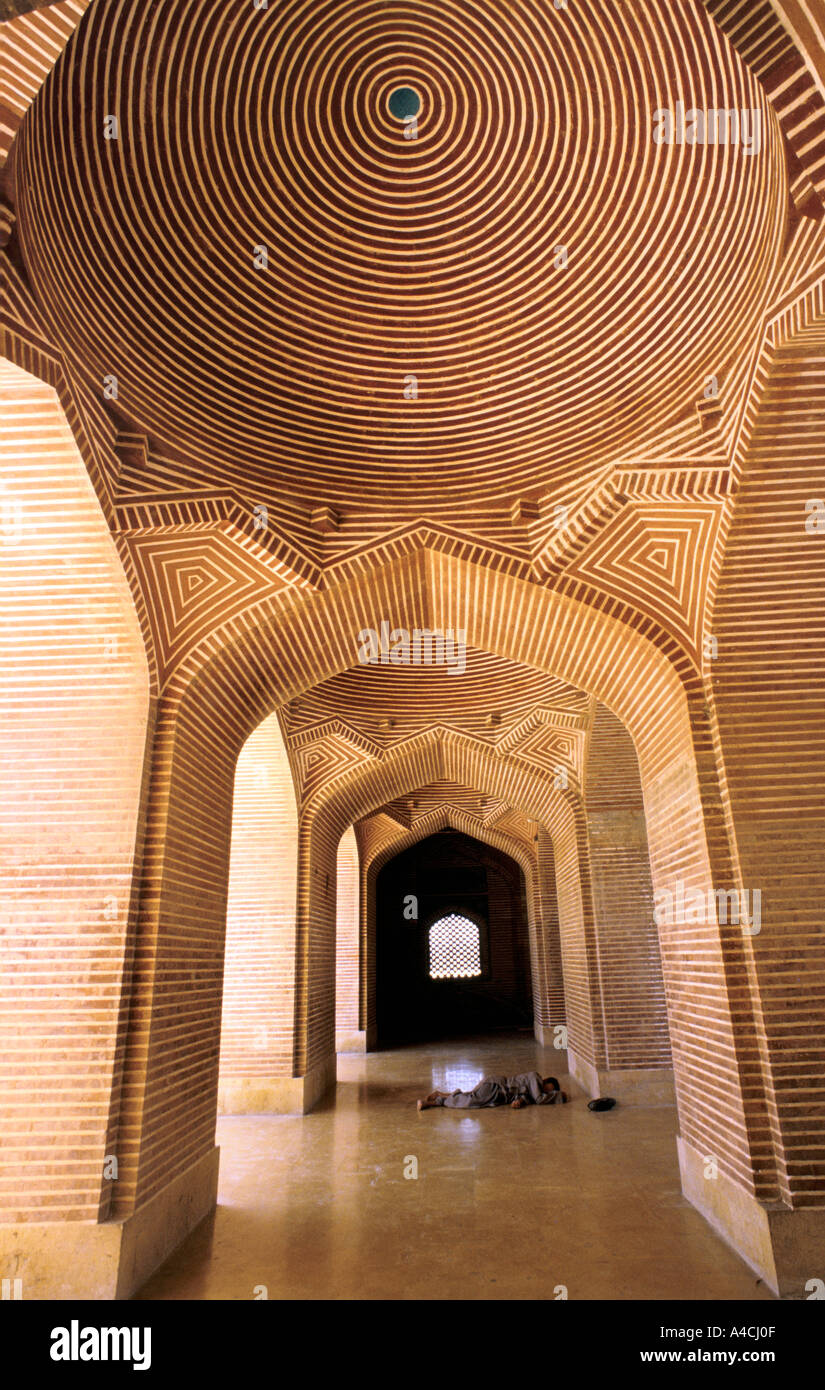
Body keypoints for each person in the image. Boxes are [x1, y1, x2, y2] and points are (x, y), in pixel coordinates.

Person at [417, 1072, 568, 1110]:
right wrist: (559, 1096)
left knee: (470, 1098)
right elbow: (539, 1099)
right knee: (470, 1101)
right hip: (496, 1087)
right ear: (546, 1081)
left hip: (498, 1093)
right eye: (549, 1088)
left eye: (550, 1091)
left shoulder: (531, 1090)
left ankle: (439, 1094)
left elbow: (526, 1096)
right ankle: (434, 1102)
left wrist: (519, 1102)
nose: (546, 1091)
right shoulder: (536, 1077)